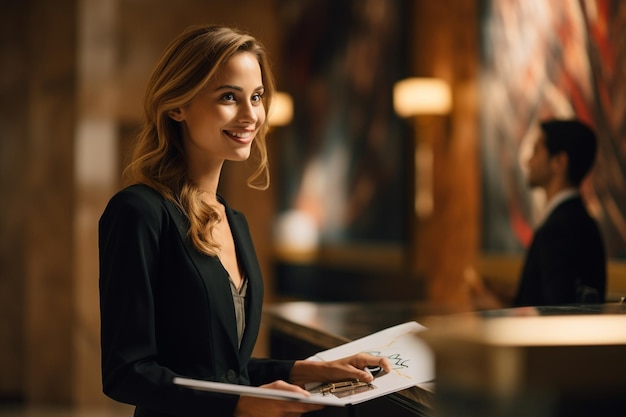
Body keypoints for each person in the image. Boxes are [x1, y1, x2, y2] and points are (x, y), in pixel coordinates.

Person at [98, 24, 390, 417]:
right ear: (177, 106)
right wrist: (237, 404)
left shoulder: (235, 222)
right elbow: (127, 372)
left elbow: (218, 370)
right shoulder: (139, 212)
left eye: (256, 96)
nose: (251, 115)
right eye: (228, 97)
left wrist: (304, 370)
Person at [513, 118, 607, 306]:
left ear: (559, 162)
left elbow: (555, 313)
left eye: (536, 150)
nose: (527, 160)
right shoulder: (582, 221)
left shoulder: (558, 230)